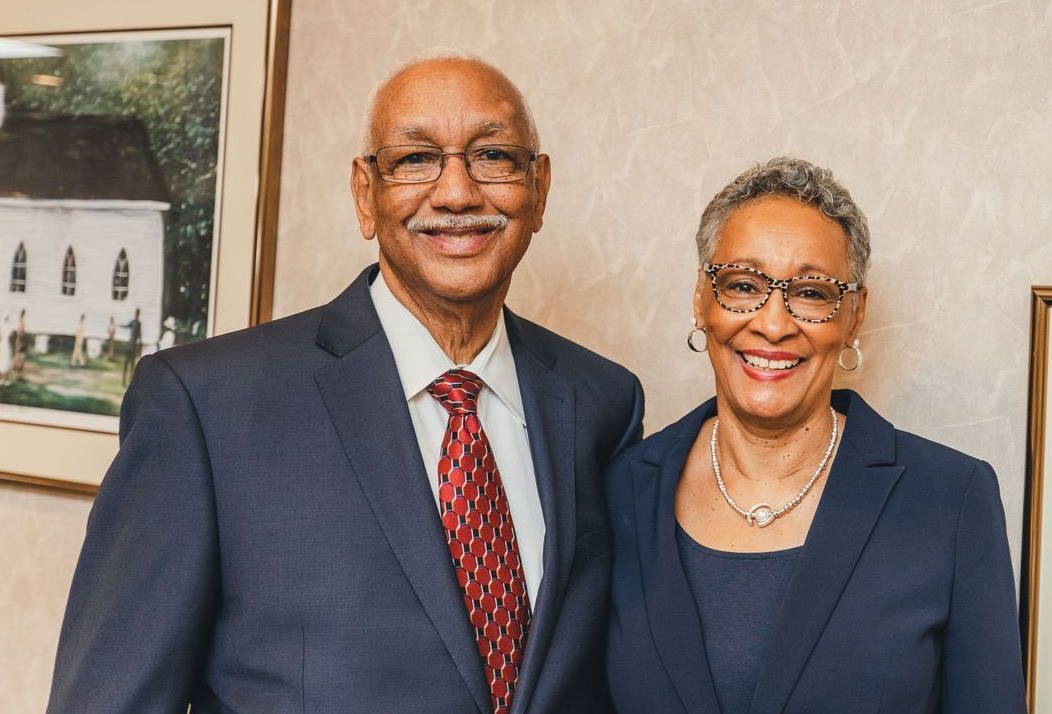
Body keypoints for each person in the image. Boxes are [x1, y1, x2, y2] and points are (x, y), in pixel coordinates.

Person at [49, 56, 643, 713]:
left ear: (539, 188)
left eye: (493, 155)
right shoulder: (206, 407)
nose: (456, 193)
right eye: (416, 159)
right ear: (365, 193)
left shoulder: (601, 404)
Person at [605, 158, 1025, 713]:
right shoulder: (621, 488)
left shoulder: (951, 500)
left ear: (853, 315)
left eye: (811, 292)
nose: (774, 323)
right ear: (701, 302)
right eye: (742, 285)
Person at [119, 308, 140, 386]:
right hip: (132, 346)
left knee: (128, 364)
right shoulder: (137, 323)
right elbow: (139, 336)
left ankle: (126, 382)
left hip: (130, 345)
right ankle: (126, 381)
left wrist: (120, 325)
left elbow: (126, 326)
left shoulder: (134, 322)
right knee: (130, 364)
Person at [0, 314, 12, 384]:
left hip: (6, 344)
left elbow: (9, 335)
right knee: (0, 359)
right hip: (2, 344)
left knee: (6, 360)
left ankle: (6, 378)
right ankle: (0, 378)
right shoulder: (1, 327)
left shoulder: (9, 327)